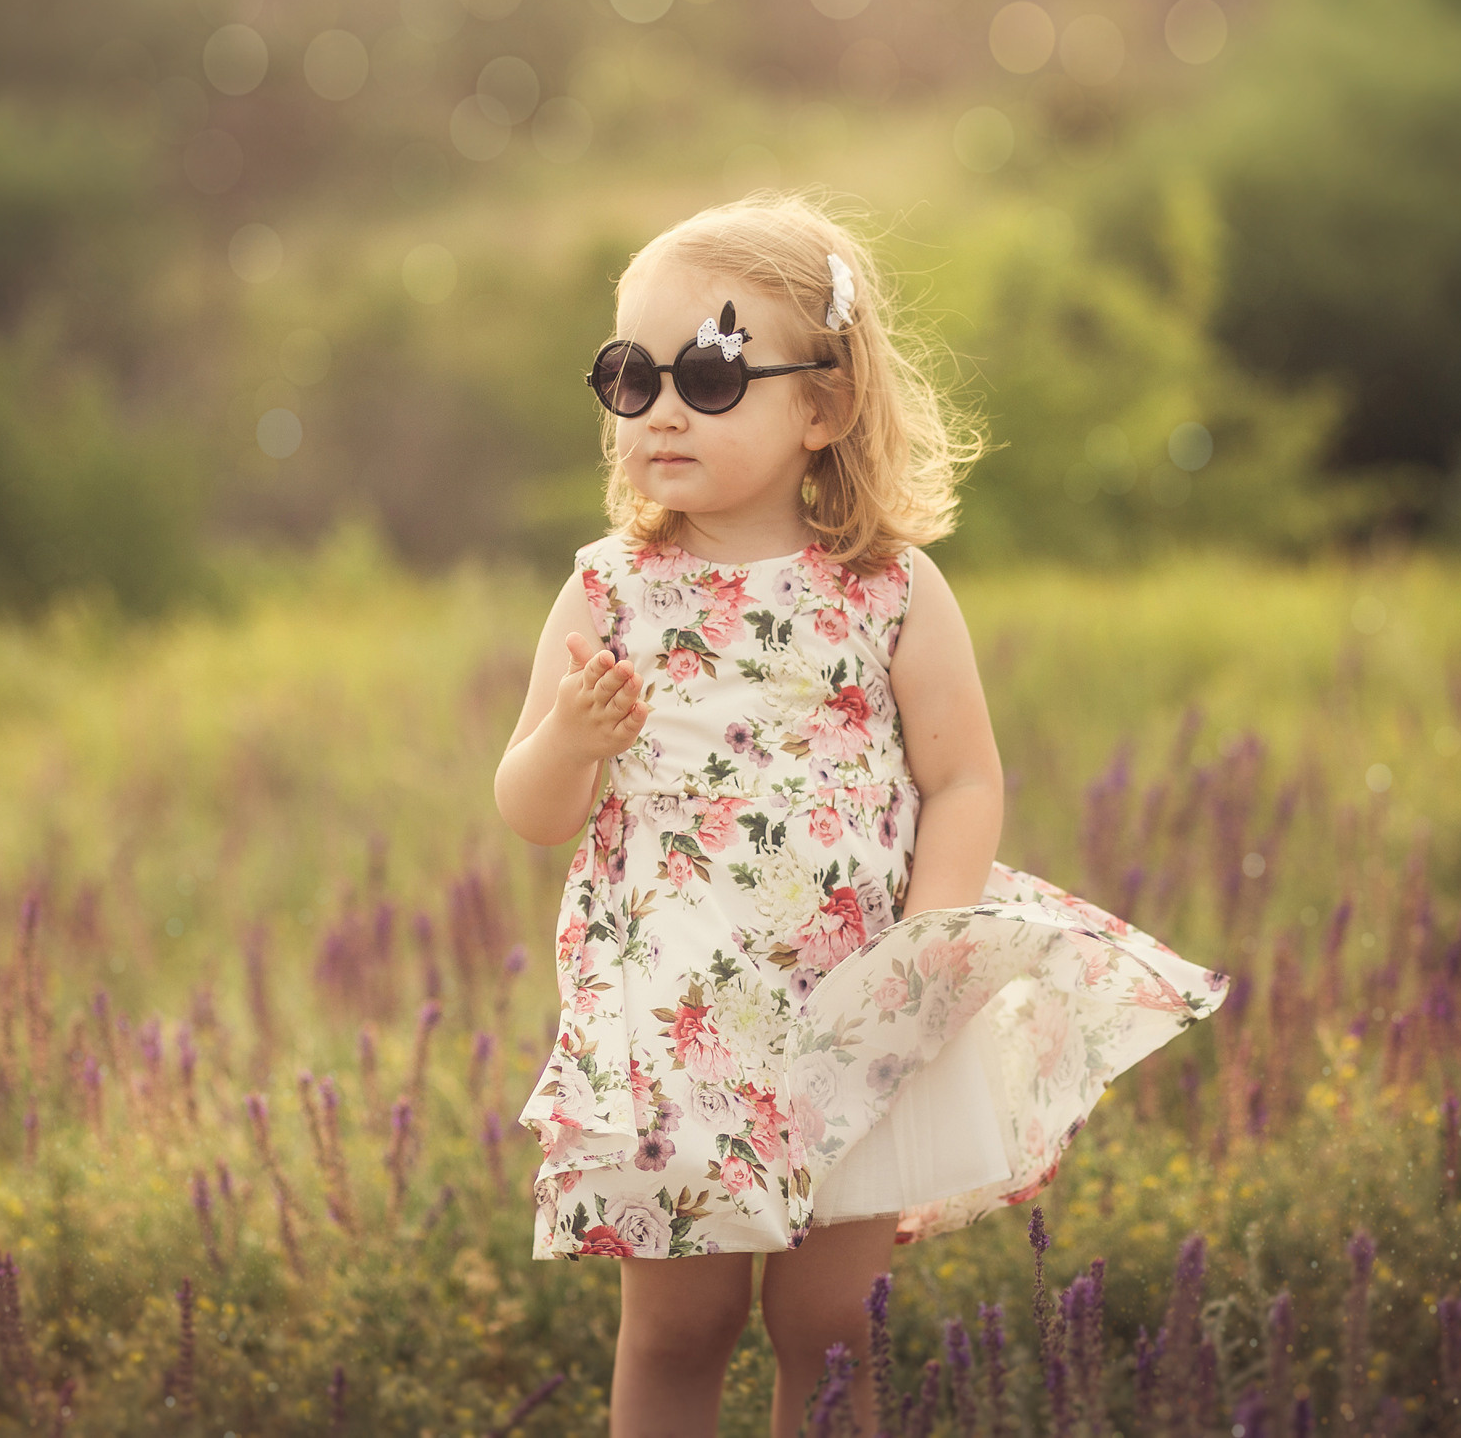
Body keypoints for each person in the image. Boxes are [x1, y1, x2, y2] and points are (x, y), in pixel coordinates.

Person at [493, 190, 1230, 1438]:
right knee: (680, 1324)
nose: (662, 405)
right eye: (630, 375)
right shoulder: (608, 594)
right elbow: (530, 807)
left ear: (820, 406)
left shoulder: (887, 588)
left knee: (829, 1328)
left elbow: (963, 780)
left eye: (712, 372)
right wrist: (571, 738)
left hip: (854, 1014)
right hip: (678, 1024)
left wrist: (923, 962)